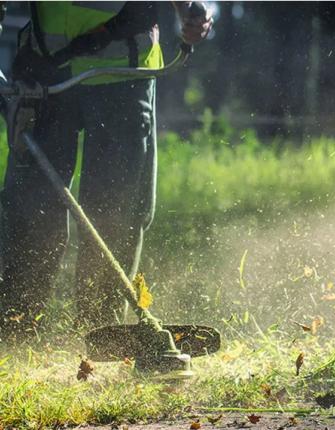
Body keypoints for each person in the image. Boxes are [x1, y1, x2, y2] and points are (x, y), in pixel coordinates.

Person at [0, 1, 213, 340]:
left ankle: (100, 335)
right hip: (46, 71)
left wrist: (188, 10)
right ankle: (15, 333)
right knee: (32, 208)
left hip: (124, 74)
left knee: (116, 212)